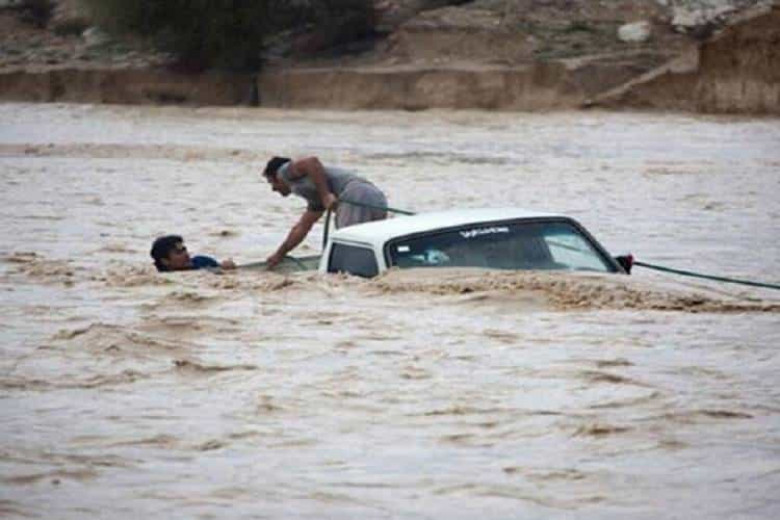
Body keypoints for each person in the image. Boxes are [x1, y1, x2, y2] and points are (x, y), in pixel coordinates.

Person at [262, 156, 388, 268]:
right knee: (368, 244)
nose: (273, 189)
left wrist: (325, 195)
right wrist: (280, 254)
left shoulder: (284, 172)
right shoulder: (314, 198)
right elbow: (301, 228)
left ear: (276, 177)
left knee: (348, 243)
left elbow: (312, 161)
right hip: (375, 197)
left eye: (271, 182)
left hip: (356, 194)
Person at [150, 235, 236, 272]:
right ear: (165, 261)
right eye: (179, 253)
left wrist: (226, 268)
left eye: (185, 250)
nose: (186, 254)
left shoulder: (202, 261)